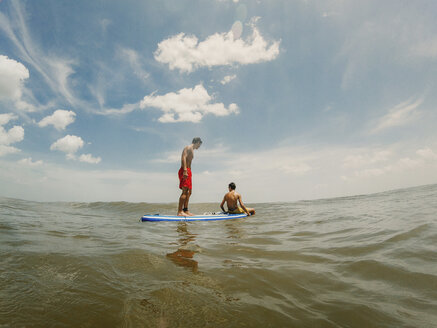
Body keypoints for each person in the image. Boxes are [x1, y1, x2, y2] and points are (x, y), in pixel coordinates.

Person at [177, 137, 202, 216]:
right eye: (199, 144)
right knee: (185, 191)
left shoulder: (192, 150)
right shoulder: (188, 147)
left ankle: (186, 210)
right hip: (185, 170)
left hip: (188, 171)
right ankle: (180, 211)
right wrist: (185, 170)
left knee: (189, 192)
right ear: (197, 142)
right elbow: (183, 157)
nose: (199, 147)